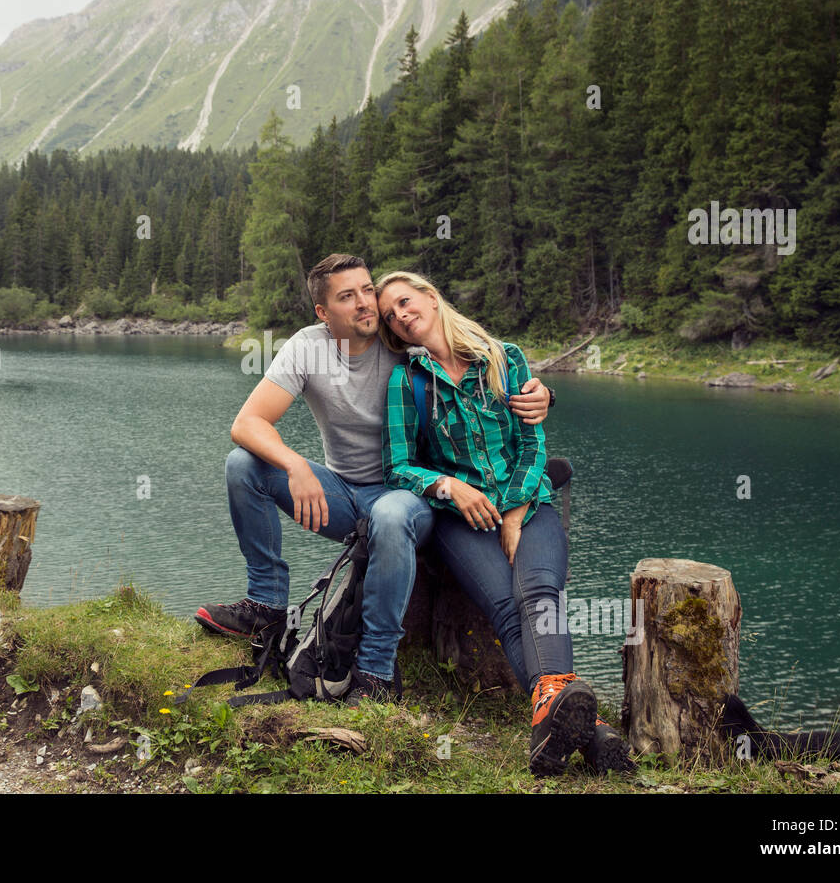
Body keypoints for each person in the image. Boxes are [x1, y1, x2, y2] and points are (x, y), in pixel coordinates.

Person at [195, 254, 553, 705]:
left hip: (411, 497)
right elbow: (247, 423)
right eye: (348, 296)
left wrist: (543, 395)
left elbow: (484, 371)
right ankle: (266, 606)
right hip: (342, 494)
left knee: (389, 512)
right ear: (323, 313)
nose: (366, 304)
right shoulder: (307, 347)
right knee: (242, 465)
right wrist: (296, 465)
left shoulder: (405, 343)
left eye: (367, 290)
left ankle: (376, 670)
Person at [375, 269, 633, 776]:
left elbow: (534, 443)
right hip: (460, 520)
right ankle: (589, 729)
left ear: (431, 296)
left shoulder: (504, 357)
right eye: (390, 316)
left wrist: (514, 510)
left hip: (530, 506)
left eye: (405, 302)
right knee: (507, 611)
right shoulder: (406, 380)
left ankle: (555, 722)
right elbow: (398, 466)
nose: (401, 316)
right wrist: (450, 487)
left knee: (538, 594)